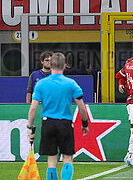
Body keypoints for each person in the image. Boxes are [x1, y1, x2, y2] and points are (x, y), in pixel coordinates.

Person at [27, 52, 89, 180]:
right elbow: (81, 106)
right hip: (65, 123)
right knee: (67, 158)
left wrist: (30, 127)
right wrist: (85, 123)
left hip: (48, 123)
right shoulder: (71, 83)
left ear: (51, 65)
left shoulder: (41, 84)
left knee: (52, 160)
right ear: (64, 66)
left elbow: (33, 108)